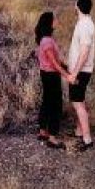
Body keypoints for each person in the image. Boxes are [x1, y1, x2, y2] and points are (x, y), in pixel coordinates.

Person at [67, 0, 95, 151]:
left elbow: (84, 52)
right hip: (81, 71)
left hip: (81, 71)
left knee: (77, 103)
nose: (74, 5)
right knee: (80, 101)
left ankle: (87, 139)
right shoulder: (85, 23)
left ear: (78, 6)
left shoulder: (85, 26)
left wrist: (74, 73)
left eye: (75, 3)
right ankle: (79, 131)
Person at [34, 10, 68, 148]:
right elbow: (54, 63)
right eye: (55, 19)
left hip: (45, 74)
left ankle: (43, 131)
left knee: (47, 102)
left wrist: (66, 67)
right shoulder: (47, 41)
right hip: (51, 75)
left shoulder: (46, 39)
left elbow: (56, 61)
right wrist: (67, 75)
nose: (57, 20)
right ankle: (53, 138)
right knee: (56, 105)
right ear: (49, 22)